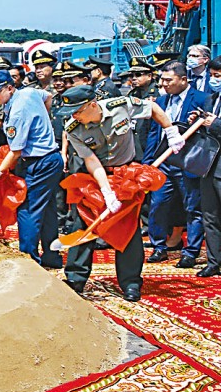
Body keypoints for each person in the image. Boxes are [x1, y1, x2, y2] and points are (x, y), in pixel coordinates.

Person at [61, 84, 184, 300]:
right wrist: (107, 192)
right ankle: (75, 279)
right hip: (94, 176)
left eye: (78, 111)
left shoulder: (121, 106)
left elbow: (153, 108)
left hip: (126, 173)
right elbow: (91, 160)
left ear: (92, 105)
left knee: (128, 227)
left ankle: (131, 283)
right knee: (85, 224)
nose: (74, 116)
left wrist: (170, 130)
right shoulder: (73, 129)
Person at [0, 71, 63, 268]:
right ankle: (52, 256)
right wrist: (43, 122)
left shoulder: (17, 111)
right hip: (50, 158)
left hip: (39, 161)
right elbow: (47, 97)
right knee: (47, 209)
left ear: (9, 87)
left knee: (28, 209)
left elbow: (15, 151)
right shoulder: (30, 93)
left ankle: (28, 260)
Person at [144, 60, 209, 266]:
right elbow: (153, 135)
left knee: (192, 207)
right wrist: (148, 162)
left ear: (183, 79)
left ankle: (191, 252)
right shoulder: (161, 102)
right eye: (162, 79)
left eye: (168, 80)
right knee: (158, 205)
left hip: (188, 163)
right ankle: (159, 246)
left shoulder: (201, 99)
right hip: (163, 163)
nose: (164, 84)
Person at [196, 56, 221, 277]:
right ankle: (214, 261)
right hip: (208, 165)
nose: (214, 80)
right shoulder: (210, 99)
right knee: (210, 216)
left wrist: (215, 124)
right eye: (212, 76)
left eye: (218, 77)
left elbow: (215, 125)